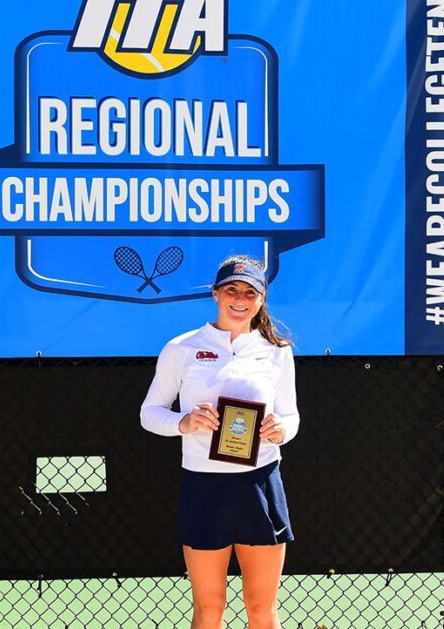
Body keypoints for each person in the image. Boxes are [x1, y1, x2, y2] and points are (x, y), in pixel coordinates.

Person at [140, 255, 300, 629]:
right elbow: (150, 413)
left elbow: (291, 416)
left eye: (250, 292)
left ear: (261, 299)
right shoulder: (181, 348)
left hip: (260, 483)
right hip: (203, 486)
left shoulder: (277, 351)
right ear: (215, 293)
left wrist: (281, 430)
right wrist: (185, 422)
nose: (239, 298)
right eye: (231, 289)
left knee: (263, 611)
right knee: (209, 610)